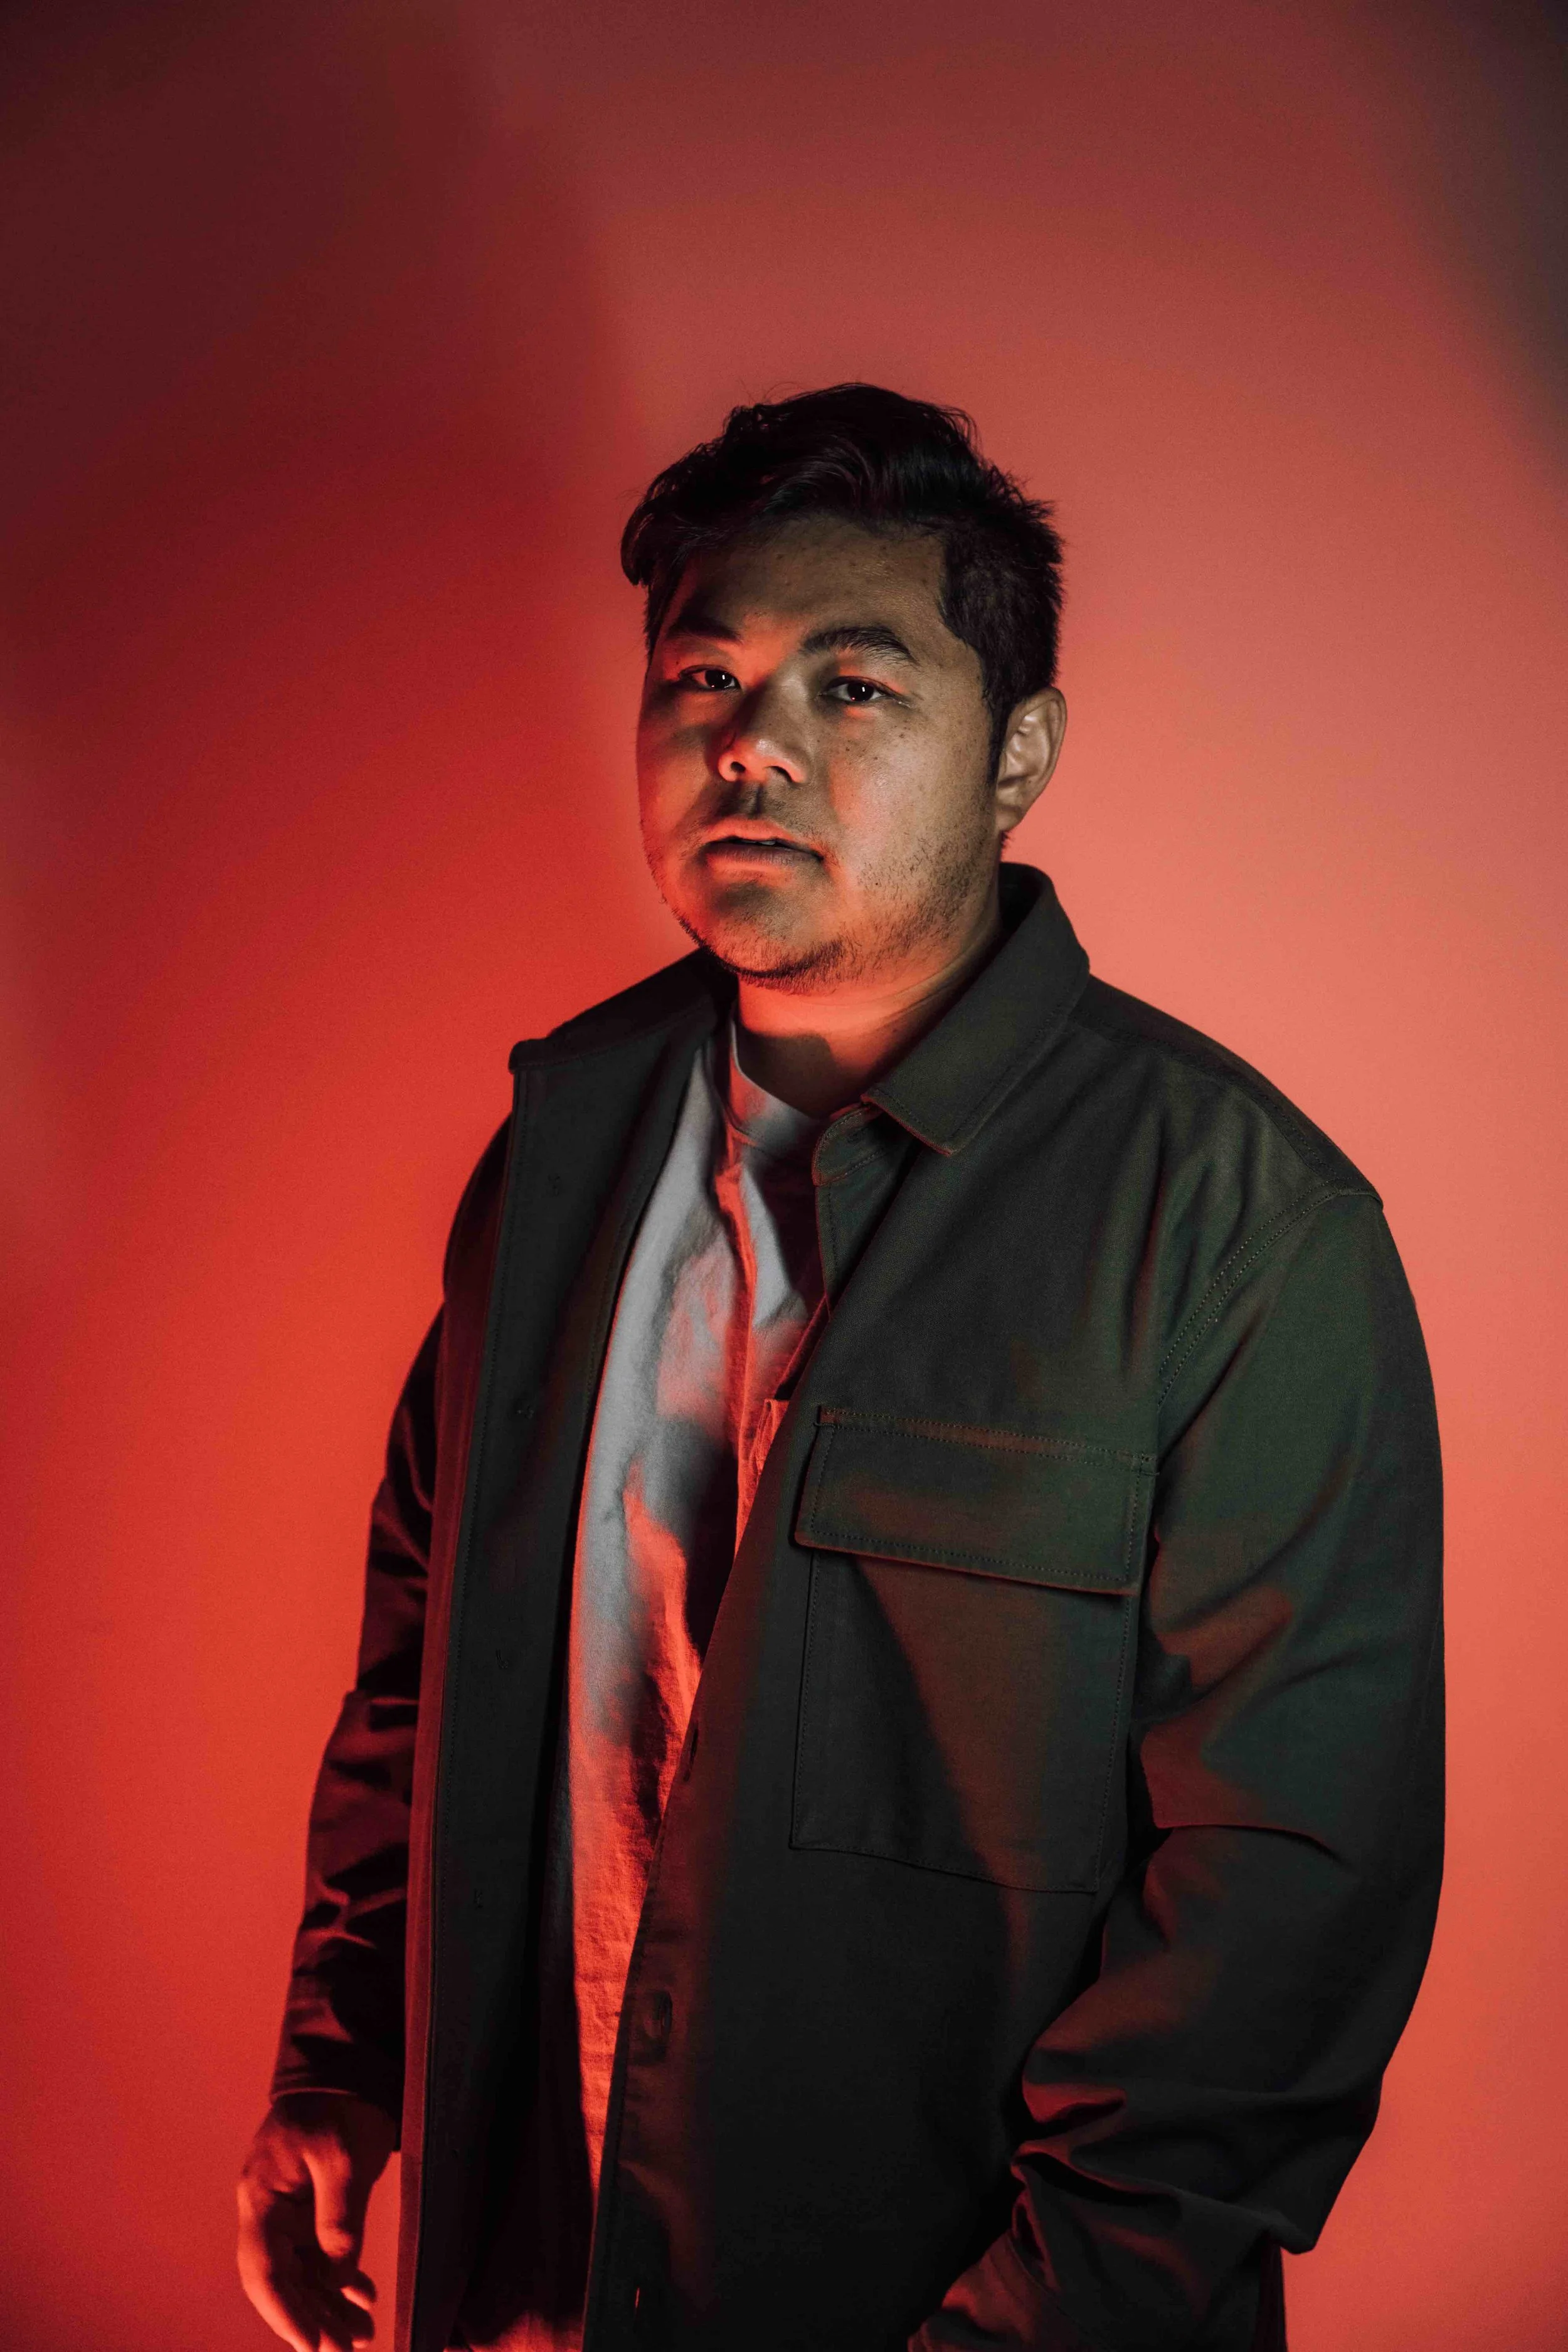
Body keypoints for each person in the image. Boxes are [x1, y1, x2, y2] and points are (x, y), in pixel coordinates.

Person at [236, 385, 1443, 2352]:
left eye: (853, 687)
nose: (749, 743)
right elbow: (417, 1660)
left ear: (1015, 756)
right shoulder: (553, 1155)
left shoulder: (1236, 1222)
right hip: (530, 2285)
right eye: (699, 674)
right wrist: (341, 2063)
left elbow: (1281, 1902)